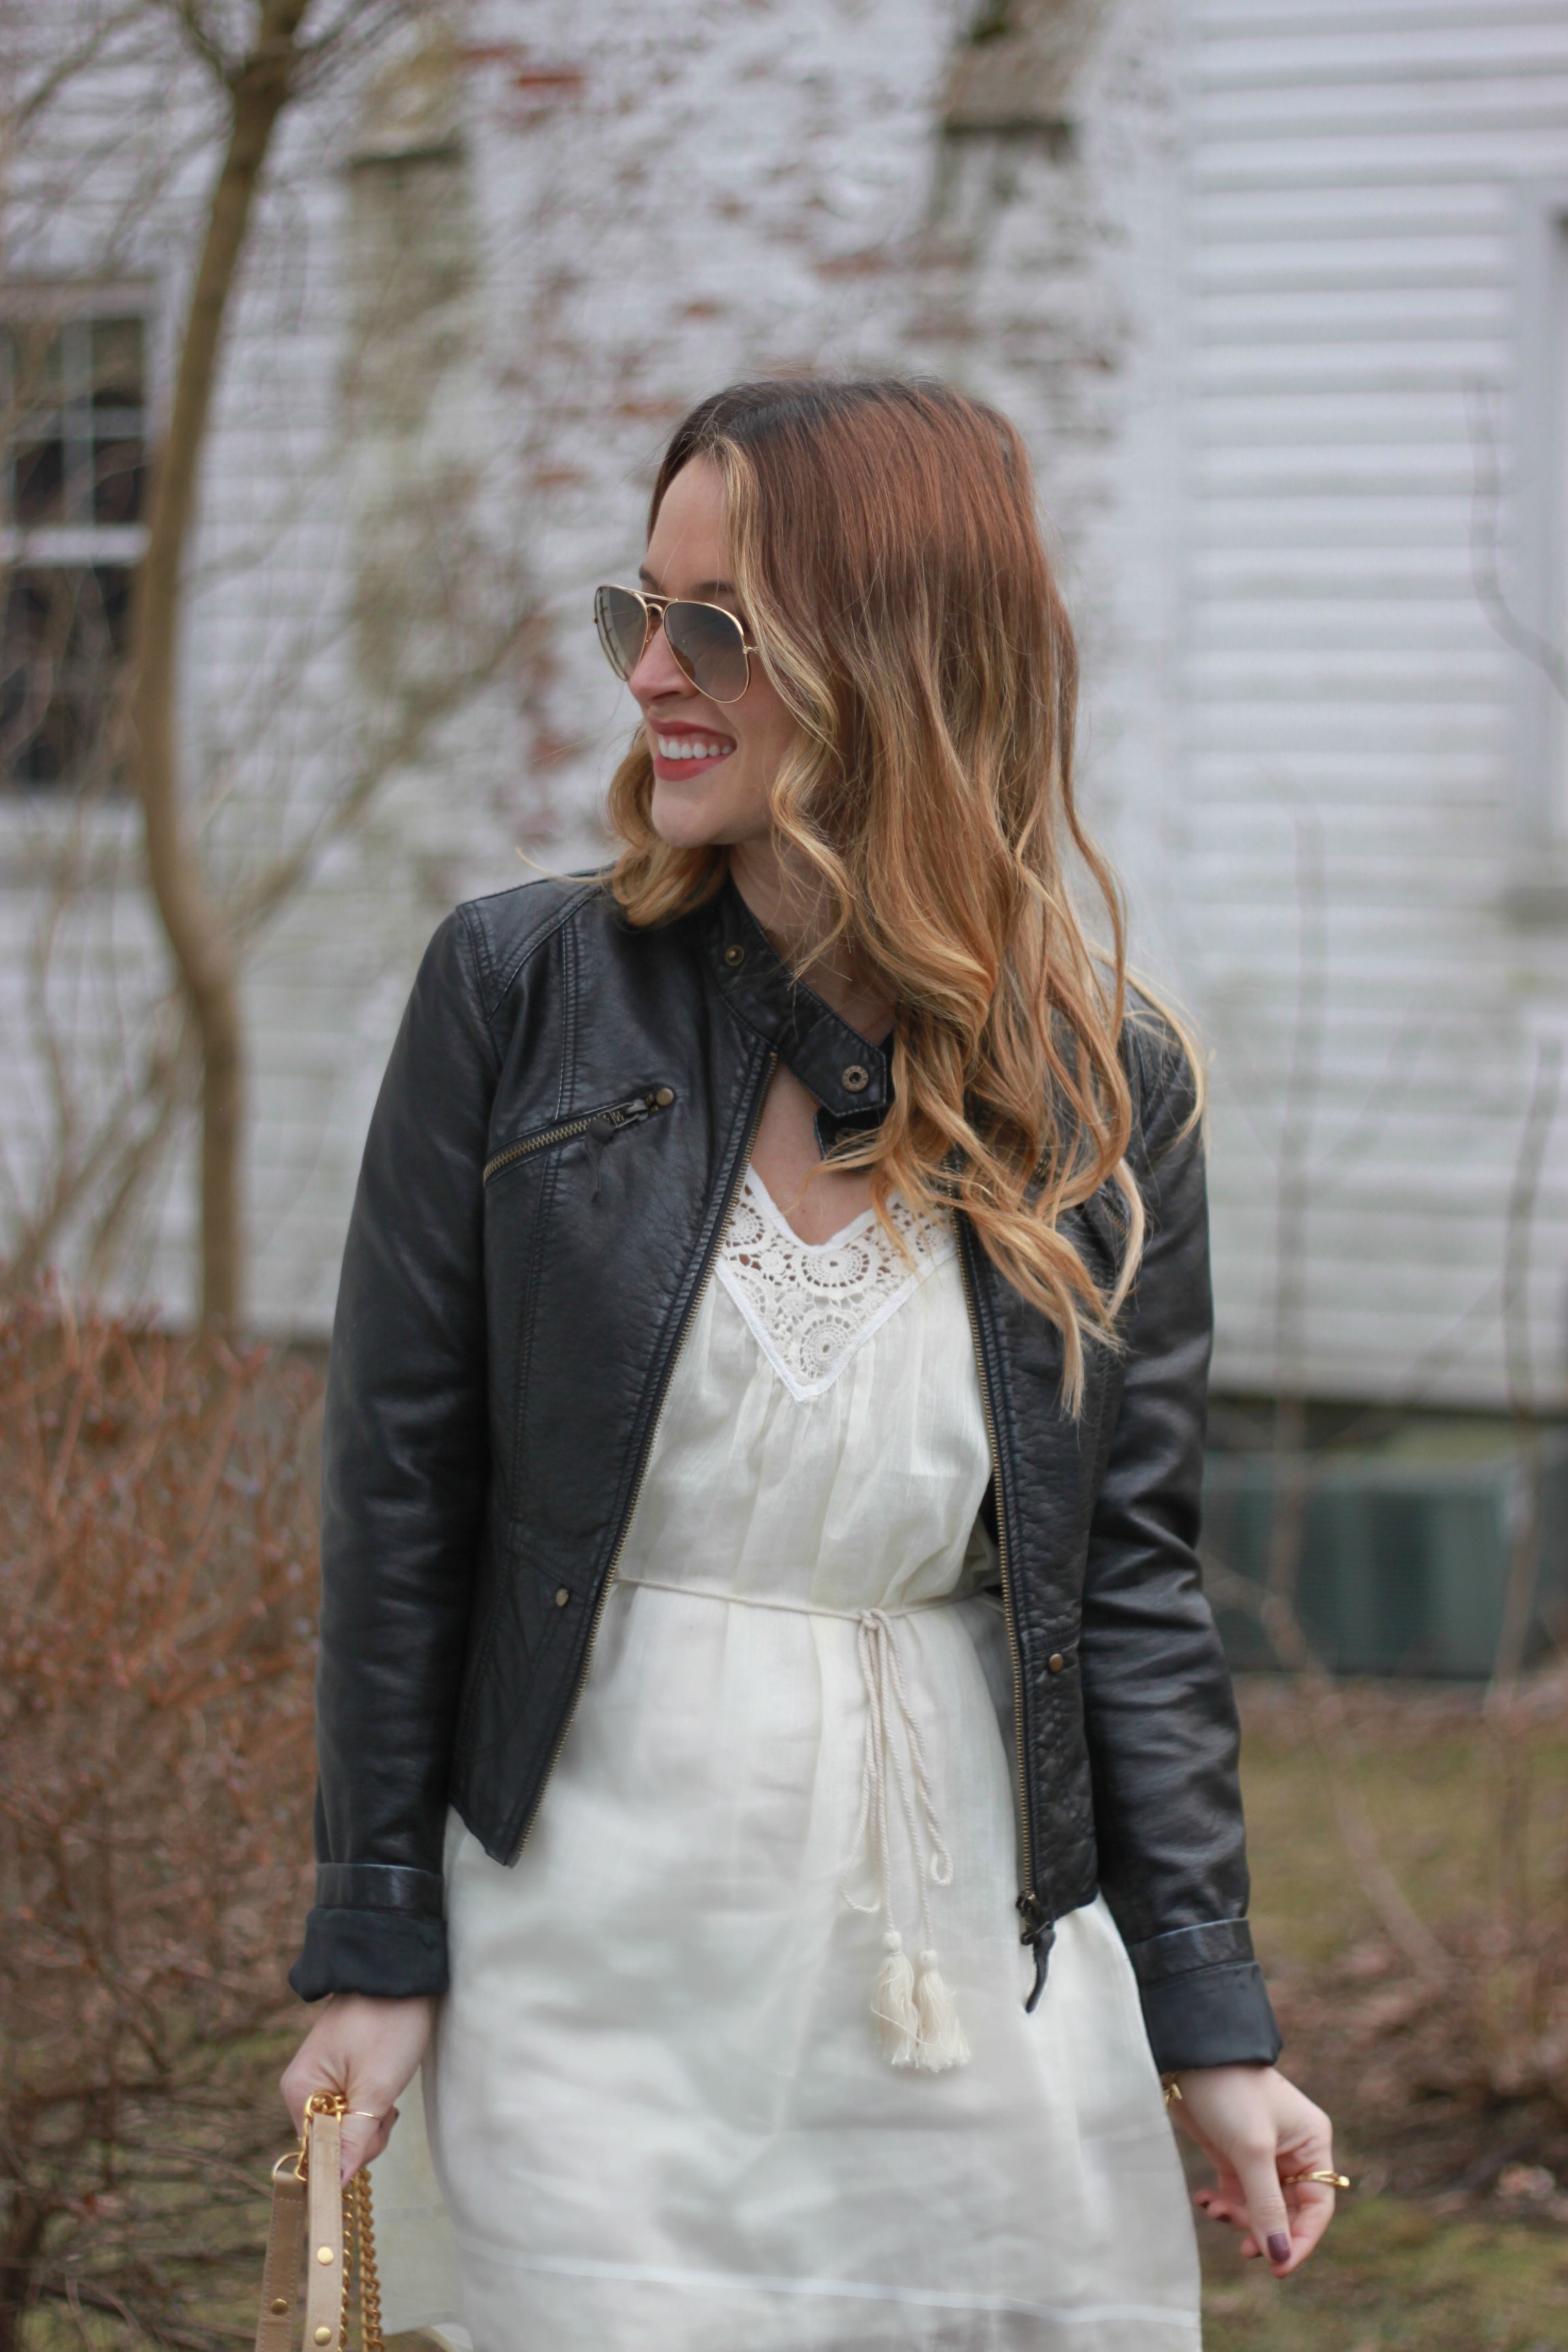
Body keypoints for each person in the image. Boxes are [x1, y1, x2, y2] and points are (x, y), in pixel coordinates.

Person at [281, 377, 1338, 2352]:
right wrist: (373, 1953)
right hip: (590, 1934)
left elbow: (1127, 1585)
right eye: (638, 616)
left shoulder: (1104, 1084)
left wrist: (1209, 2021)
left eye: (719, 630)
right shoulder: (514, 997)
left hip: (964, 1981)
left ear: (900, 662)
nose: (651, 682)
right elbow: (399, 1503)